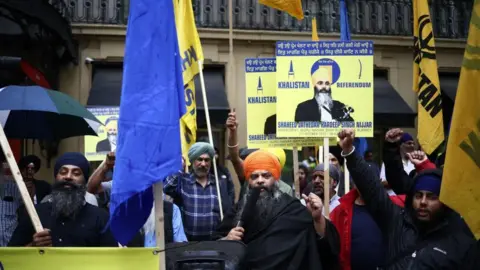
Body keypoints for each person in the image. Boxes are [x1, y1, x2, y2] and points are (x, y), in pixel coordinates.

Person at [337, 128, 477, 269]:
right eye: (418, 195)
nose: (423, 202)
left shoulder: (459, 241)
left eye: (431, 197)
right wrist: (350, 151)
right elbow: (371, 188)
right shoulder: (398, 221)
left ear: (443, 201)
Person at [214, 150, 340, 270]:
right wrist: (227, 240)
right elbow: (215, 245)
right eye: (254, 176)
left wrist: (318, 219)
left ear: (275, 178)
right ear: (249, 181)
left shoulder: (293, 208)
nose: (260, 180)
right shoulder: (239, 209)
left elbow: (326, 247)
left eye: (266, 175)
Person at [8, 152, 117, 247]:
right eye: (63, 172)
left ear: (84, 181)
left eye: (76, 173)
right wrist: (33, 246)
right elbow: (10, 257)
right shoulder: (35, 214)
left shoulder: (101, 217)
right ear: (56, 177)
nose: (68, 177)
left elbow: (110, 259)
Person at [87, 152, 187, 245]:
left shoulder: (172, 211)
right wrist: (105, 166)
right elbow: (91, 188)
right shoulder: (120, 196)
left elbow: (179, 248)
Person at [164, 142, 232, 241]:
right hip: (187, 244)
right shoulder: (183, 181)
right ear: (192, 161)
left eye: (207, 160)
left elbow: (227, 210)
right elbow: (166, 188)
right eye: (199, 159)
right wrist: (178, 169)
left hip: (214, 243)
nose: (203, 164)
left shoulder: (219, 183)